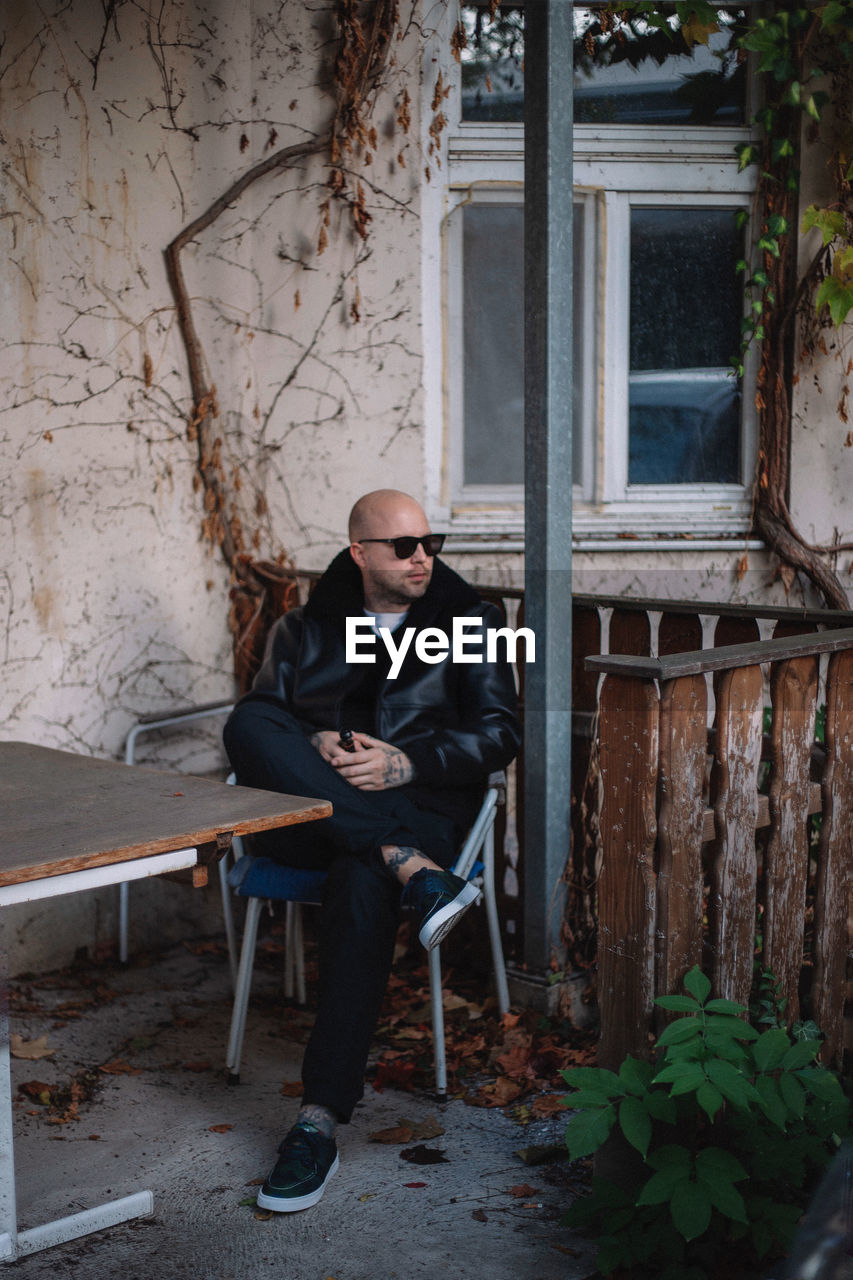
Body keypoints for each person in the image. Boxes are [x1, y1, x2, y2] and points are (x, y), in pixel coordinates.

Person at [223, 489, 520, 1212]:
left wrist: (406, 763)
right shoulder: (302, 627)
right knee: (250, 719)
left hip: (418, 804)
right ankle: (410, 868)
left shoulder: (470, 623)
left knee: (362, 881)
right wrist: (315, 741)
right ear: (359, 553)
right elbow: (272, 725)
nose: (423, 557)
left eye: (430, 542)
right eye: (403, 546)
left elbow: (500, 733)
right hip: (316, 807)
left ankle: (316, 1120)